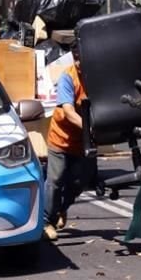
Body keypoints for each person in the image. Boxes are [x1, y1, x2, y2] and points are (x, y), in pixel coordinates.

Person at [43, 43, 96, 241]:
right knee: (55, 181)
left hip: (84, 142)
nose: (80, 64)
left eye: (84, 59)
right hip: (62, 138)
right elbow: (68, 111)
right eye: (77, 59)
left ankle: (60, 209)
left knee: (78, 183)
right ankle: (46, 222)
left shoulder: (97, 76)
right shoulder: (68, 76)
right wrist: (91, 128)